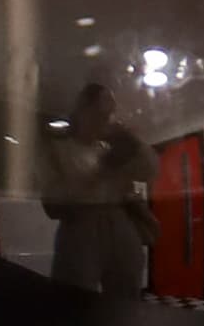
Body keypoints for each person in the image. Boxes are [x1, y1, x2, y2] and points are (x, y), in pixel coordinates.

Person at [36, 77, 154, 295]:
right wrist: (99, 175)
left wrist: (133, 141)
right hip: (80, 226)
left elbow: (149, 171)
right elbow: (51, 204)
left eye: (110, 113)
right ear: (83, 110)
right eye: (100, 112)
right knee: (75, 297)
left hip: (120, 220)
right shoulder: (58, 150)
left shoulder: (109, 148)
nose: (106, 119)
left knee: (126, 294)